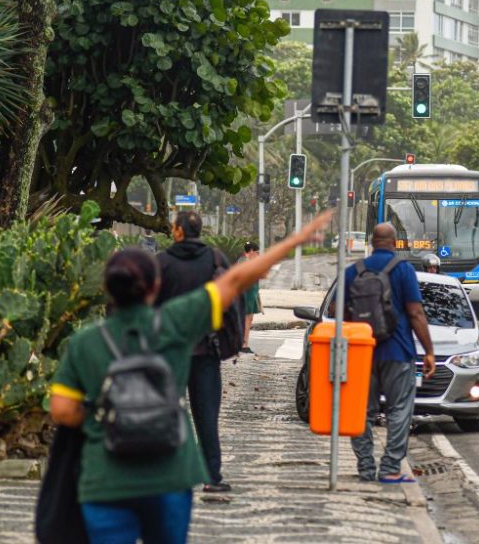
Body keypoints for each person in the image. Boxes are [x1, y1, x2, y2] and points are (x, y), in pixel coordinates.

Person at [48, 211, 332, 543]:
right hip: (169, 473)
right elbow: (237, 280)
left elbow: (62, 411)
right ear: (153, 287)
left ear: (106, 289)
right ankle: (214, 475)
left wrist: (106, 411)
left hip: (105, 477)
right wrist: (294, 241)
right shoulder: (174, 324)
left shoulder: (85, 343)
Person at [344, 223, 435, 484]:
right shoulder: (403, 271)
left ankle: (365, 467)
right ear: (395, 243)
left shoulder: (354, 271)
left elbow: (338, 311)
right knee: (399, 410)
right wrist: (428, 351)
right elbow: (416, 313)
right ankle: (390, 469)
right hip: (398, 351)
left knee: (362, 412)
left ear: (372, 242)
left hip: (362, 353)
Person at [154, 212, 233, 493]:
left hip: (169, 352)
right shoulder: (215, 259)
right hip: (206, 352)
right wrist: (229, 343)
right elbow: (232, 301)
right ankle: (212, 477)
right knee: (207, 417)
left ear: (177, 231)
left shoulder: (162, 263)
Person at [238, 242, 261, 355]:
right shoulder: (244, 262)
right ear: (251, 251)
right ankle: (244, 345)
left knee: (249, 318)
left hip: (251, 293)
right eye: (257, 252)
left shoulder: (246, 261)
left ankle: (243, 343)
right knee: (246, 319)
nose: (258, 254)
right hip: (246, 294)